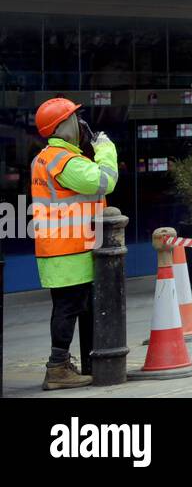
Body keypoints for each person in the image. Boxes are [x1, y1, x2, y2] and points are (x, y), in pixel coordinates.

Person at [30, 97, 118, 390]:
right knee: (69, 307)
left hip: (61, 248)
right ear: (63, 125)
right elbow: (104, 181)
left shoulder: (48, 157)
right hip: (68, 248)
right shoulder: (64, 161)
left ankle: (63, 364)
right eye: (75, 118)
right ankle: (57, 368)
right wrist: (106, 150)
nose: (81, 124)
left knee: (69, 306)